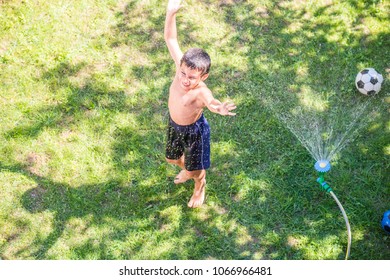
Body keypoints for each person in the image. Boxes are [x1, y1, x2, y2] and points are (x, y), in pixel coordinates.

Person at [164, 0, 237, 208]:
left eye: (192, 77)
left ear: (203, 76)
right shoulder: (181, 68)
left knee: (196, 170)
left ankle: (200, 185)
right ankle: (187, 169)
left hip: (194, 133)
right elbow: (170, 38)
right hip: (175, 125)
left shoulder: (200, 91)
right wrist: (171, 13)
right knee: (172, 158)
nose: (185, 79)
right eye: (183, 73)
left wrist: (219, 108)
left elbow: (211, 102)